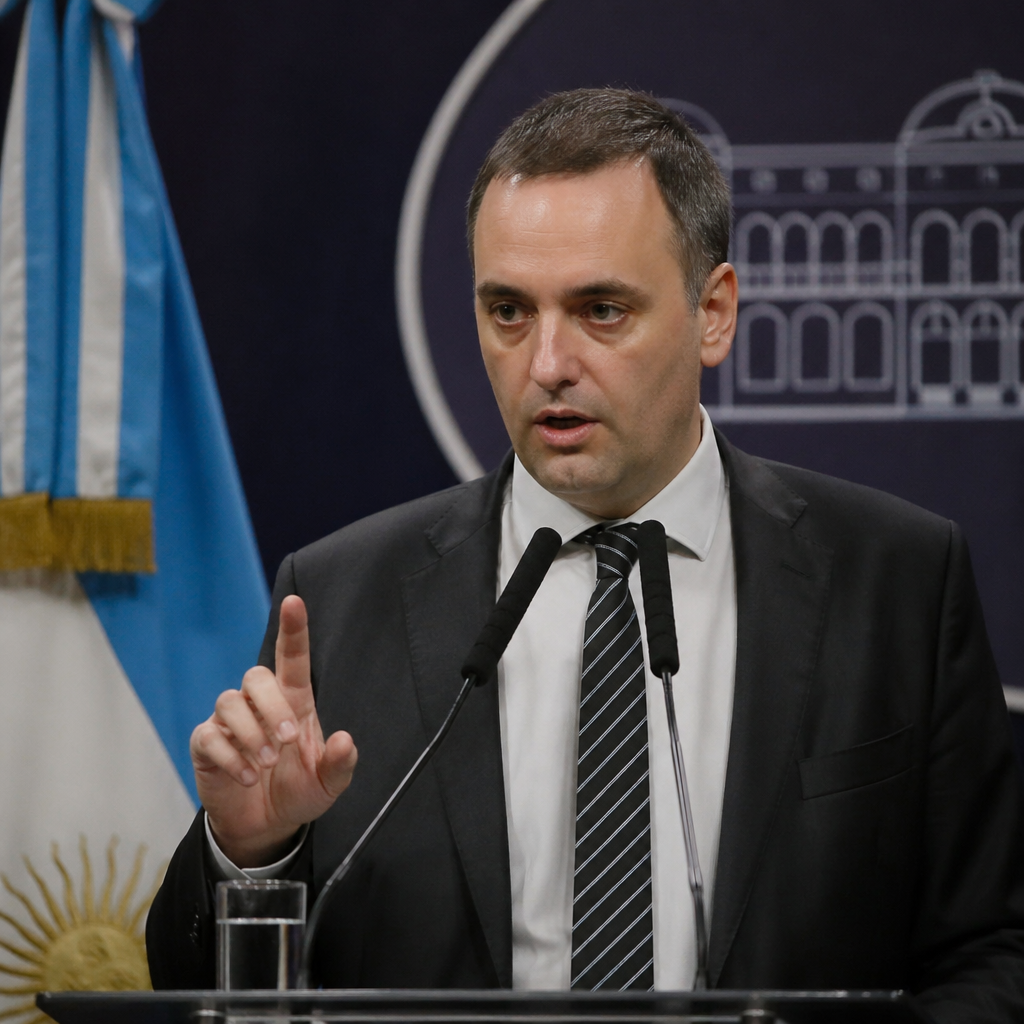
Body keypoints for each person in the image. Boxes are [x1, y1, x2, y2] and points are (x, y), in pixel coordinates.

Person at [147, 89, 1024, 1019]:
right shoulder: (337, 599)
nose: (547, 364)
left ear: (714, 312)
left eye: (601, 310)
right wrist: (251, 854)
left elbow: (992, 954)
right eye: (508, 311)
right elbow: (204, 990)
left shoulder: (896, 581)